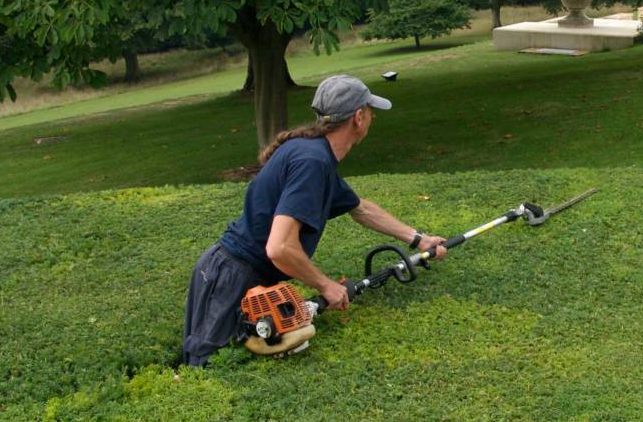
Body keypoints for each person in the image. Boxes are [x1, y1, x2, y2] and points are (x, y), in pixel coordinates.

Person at [181, 74, 446, 366]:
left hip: (234, 273)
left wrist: (419, 239)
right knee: (208, 367)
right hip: (232, 277)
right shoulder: (312, 162)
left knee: (220, 364)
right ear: (358, 118)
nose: (372, 118)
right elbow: (279, 247)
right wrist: (326, 286)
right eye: (370, 112)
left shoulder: (314, 155)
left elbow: (361, 209)